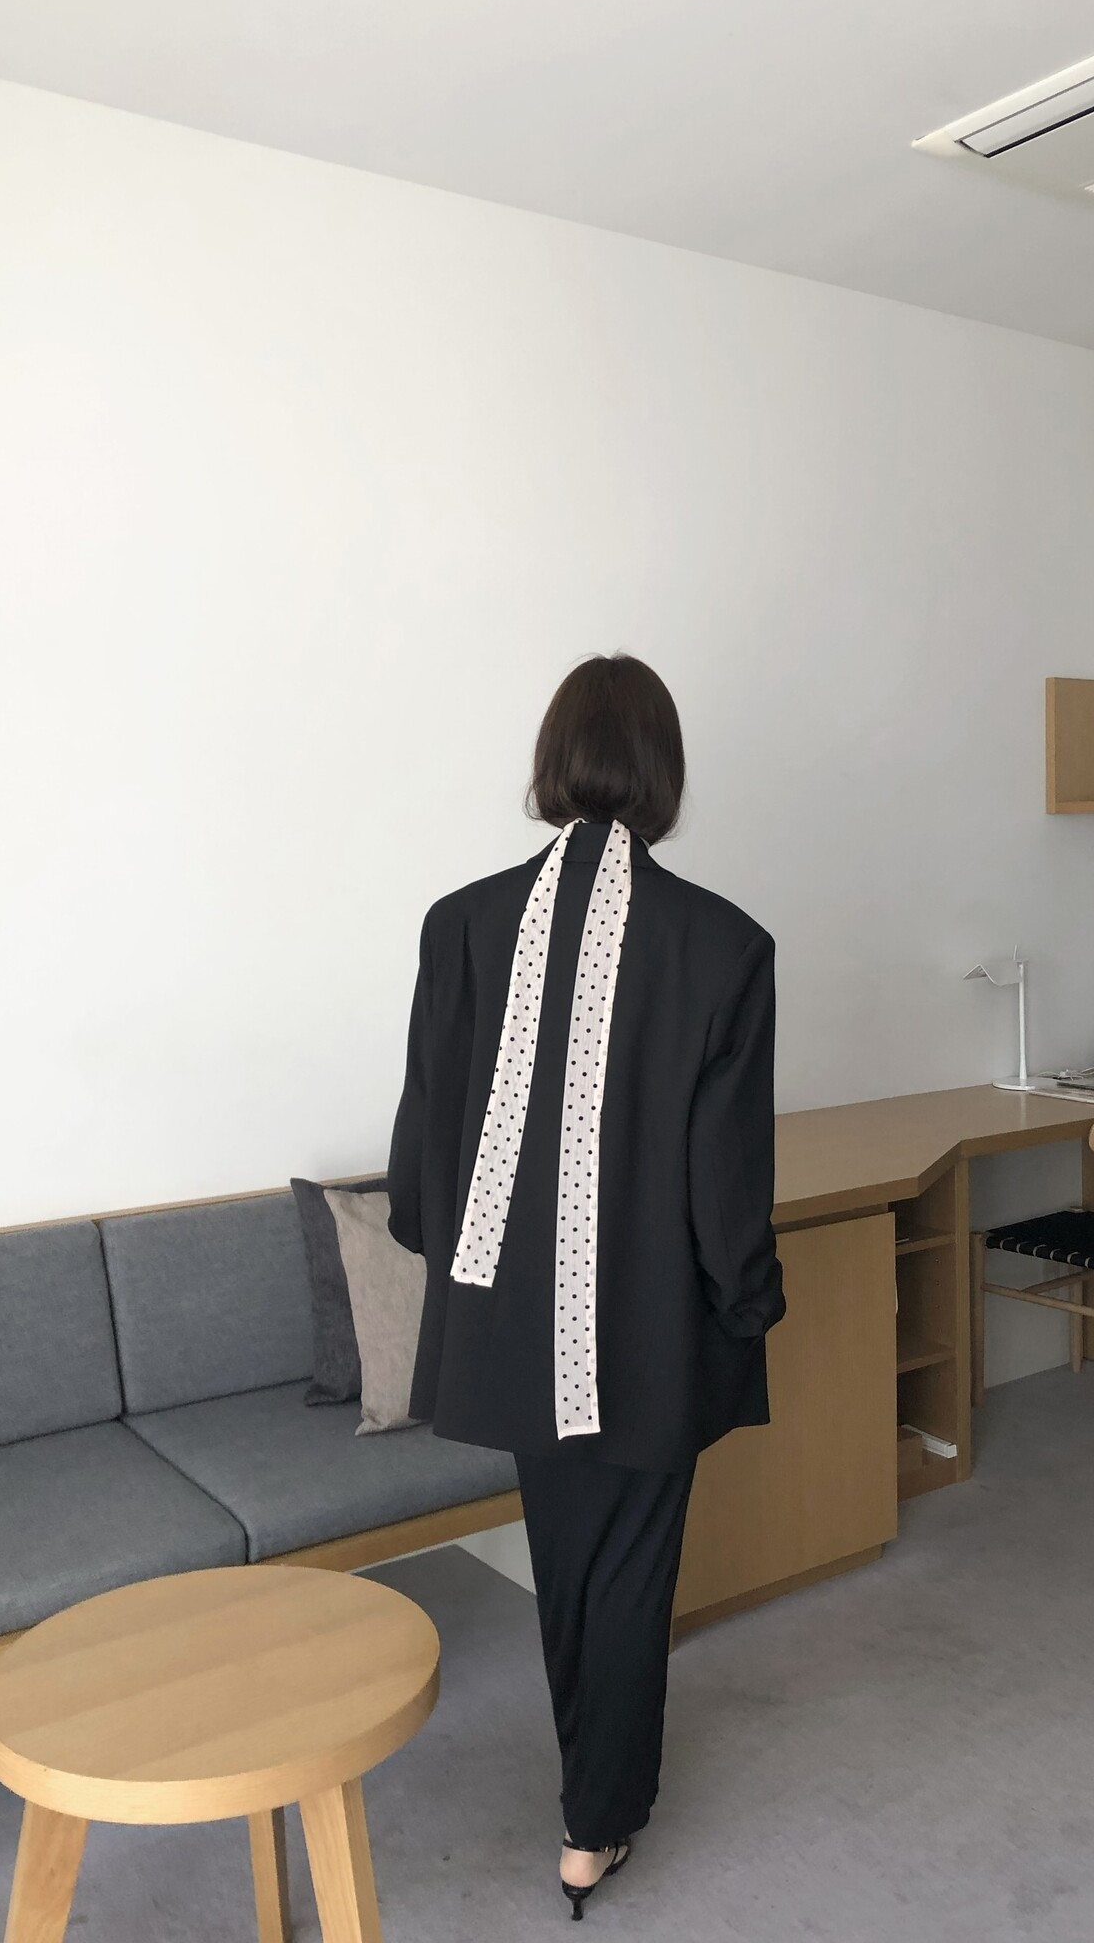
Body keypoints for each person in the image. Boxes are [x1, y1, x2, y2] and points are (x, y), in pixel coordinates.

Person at [387, 652, 784, 1918]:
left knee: (568, 1556)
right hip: (656, 1324)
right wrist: (750, 1302)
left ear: (552, 761)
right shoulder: (726, 945)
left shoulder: (459, 924)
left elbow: (424, 1146)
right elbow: (726, 1178)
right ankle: (593, 1818)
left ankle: (589, 1802)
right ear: (665, 774)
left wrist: (450, 1261)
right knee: (627, 1570)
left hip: (508, 1322)